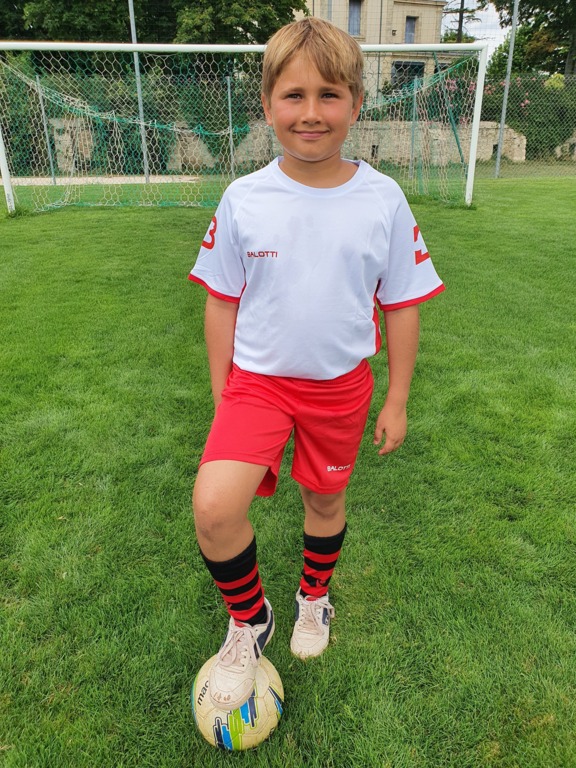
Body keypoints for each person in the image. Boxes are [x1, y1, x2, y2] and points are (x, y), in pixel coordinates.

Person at [188, 16, 444, 710]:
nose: (311, 112)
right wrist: (223, 392)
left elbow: (403, 304)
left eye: (329, 95)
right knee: (214, 507)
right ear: (268, 103)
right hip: (257, 385)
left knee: (324, 500)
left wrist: (396, 400)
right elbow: (221, 301)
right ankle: (250, 618)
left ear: (356, 103)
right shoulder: (244, 198)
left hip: (340, 388)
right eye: (294, 95)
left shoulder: (383, 198)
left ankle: (313, 597)